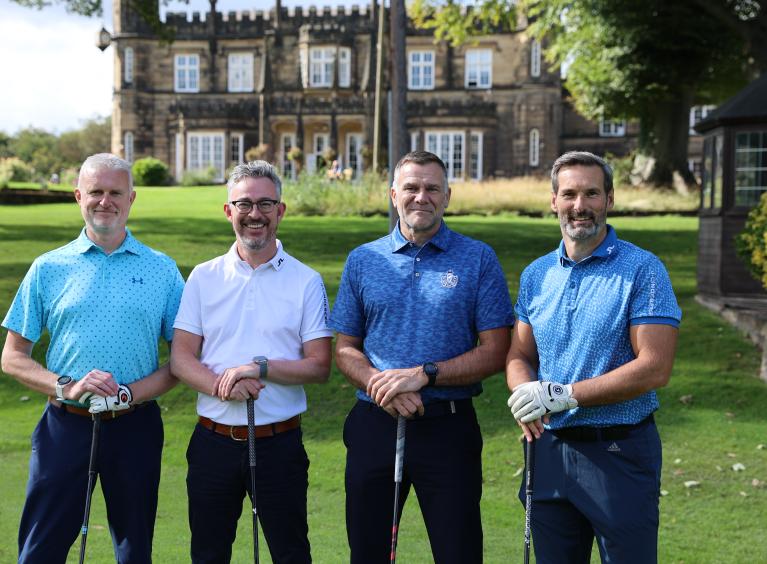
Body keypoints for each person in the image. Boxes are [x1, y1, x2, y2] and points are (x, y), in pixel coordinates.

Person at [330, 151, 514, 564]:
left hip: (448, 429)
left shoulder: (478, 258)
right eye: (411, 187)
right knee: (368, 552)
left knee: (458, 551)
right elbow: (345, 349)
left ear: (447, 196)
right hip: (374, 425)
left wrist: (424, 375)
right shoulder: (363, 259)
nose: (421, 197)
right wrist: (384, 387)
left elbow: (496, 350)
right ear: (394, 195)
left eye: (432, 188)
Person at [1, 153, 184, 562]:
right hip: (64, 426)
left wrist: (127, 394)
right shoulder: (48, 267)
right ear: (78, 196)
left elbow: (182, 360)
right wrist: (67, 386)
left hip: (134, 426)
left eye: (115, 192)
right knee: (40, 549)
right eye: (96, 192)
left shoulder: (163, 270)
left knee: (135, 550)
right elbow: (12, 357)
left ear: (132, 198)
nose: (106, 201)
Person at [506, 151, 682, 564]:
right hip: (548, 453)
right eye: (568, 194)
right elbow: (519, 353)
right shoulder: (537, 274)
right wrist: (525, 392)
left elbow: (655, 367)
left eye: (591, 193)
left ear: (610, 199)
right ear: (554, 202)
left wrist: (566, 395)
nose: (579, 206)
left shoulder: (643, 270)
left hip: (617, 453)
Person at [170, 160, 332, 564]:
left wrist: (258, 368)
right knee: (208, 554)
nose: (254, 214)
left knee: (291, 553)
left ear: (281, 210)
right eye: (244, 204)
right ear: (229, 211)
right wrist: (223, 384)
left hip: (279, 444)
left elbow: (319, 365)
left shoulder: (306, 280)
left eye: (265, 204)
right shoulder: (203, 277)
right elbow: (181, 357)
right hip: (213, 443)